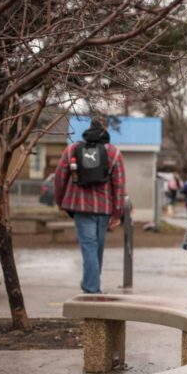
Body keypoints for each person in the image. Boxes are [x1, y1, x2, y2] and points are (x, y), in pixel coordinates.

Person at [54, 118, 125, 294]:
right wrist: (117, 213)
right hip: (103, 208)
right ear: (105, 130)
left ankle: (91, 286)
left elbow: (60, 176)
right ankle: (92, 286)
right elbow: (119, 185)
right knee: (97, 247)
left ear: (88, 129)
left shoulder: (72, 149)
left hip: (80, 206)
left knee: (89, 247)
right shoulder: (114, 153)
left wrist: (60, 200)